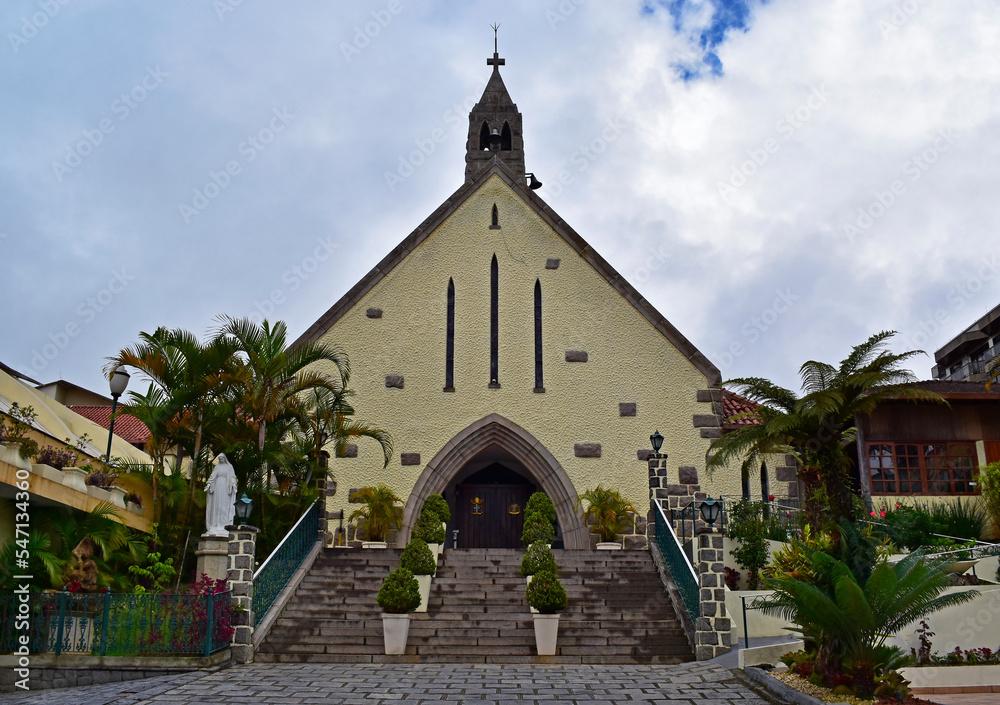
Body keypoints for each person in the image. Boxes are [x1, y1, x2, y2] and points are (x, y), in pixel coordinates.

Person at [205, 453, 238, 536]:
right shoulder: (217, 467)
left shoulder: (229, 467)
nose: (221, 460)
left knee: (224, 506)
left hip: (226, 488)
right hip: (217, 488)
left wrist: (234, 485)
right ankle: (215, 524)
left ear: (225, 458)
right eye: (220, 458)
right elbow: (213, 476)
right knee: (216, 505)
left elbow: (232, 477)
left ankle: (224, 524)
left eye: (222, 458)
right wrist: (208, 484)